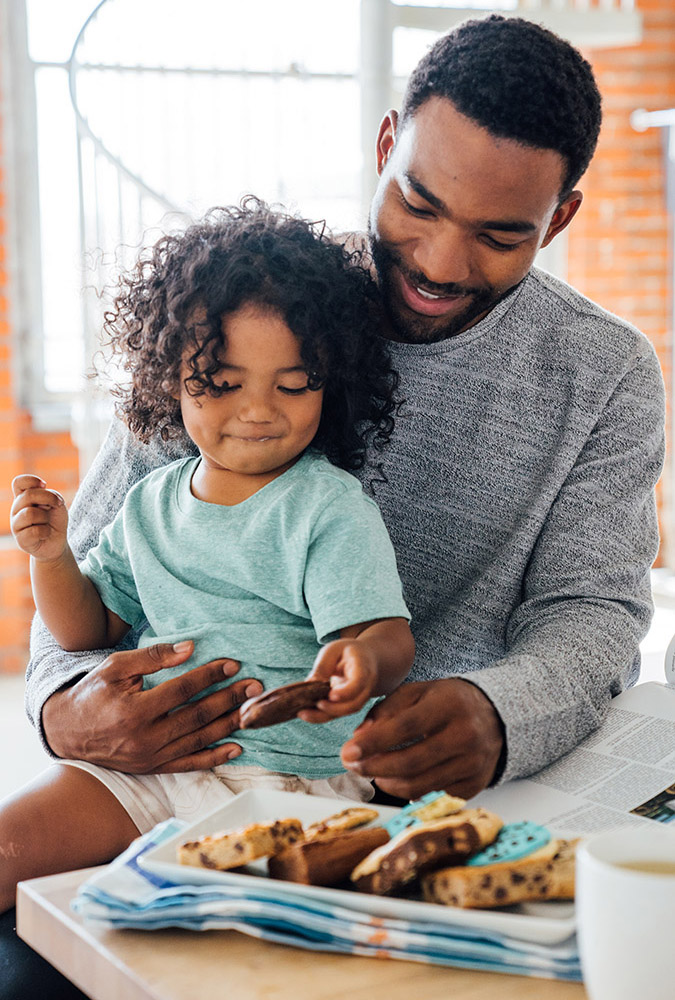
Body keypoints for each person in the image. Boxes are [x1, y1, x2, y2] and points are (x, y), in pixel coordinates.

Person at [5, 5, 666, 901]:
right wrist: (66, 707)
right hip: (163, 761)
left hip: (371, 788)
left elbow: (591, 612)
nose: (438, 260)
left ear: (557, 222)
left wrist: (498, 712)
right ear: (386, 142)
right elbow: (88, 575)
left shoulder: (605, 372)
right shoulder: (246, 303)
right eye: (417, 203)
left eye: (498, 234)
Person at [2, 200, 414, 913]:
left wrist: (361, 664)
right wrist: (50, 555)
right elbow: (87, 632)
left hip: (292, 788)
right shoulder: (151, 502)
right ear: (169, 378)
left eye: (293, 385)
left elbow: (381, 635)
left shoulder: (327, 506)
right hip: (152, 770)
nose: (258, 410)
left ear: (330, 382)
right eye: (222, 384)